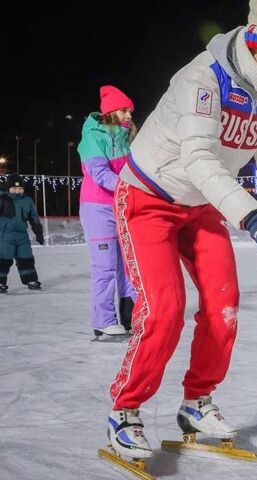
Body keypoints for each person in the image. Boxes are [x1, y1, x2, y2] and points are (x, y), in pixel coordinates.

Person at [104, 0, 257, 460]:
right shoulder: (201, 79)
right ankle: (125, 411)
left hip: (202, 203)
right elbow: (199, 160)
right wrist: (253, 217)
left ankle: (196, 402)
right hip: (149, 199)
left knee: (224, 307)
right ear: (254, 39)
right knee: (165, 310)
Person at [77, 85, 137, 337]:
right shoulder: (92, 136)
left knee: (127, 265)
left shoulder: (128, 138)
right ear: (111, 111)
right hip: (97, 207)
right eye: (124, 111)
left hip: (122, 206)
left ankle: (131, 316)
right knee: (105, 266)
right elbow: (99, 173)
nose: (129, 116)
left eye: (131, 112)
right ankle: (103, 320)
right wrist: (132, 189)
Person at [0, 174, 43, 294]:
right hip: (4, 235)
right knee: (3, 259)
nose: (17, 191)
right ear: (8, 188)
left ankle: (31, 280)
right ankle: (1, 282)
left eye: (20, 188)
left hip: (22, 235)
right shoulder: (2, 199)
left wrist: (38, 231)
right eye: (14, 188)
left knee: (26, 258)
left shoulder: (27, 200)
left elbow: (33, 217)